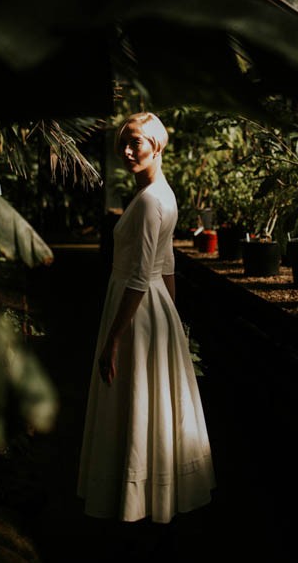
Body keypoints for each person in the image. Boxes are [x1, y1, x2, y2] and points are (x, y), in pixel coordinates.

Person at [77, 111, 215, 525]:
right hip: (151, 305)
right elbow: (167, 262)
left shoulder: (153, 200)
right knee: (145, 396)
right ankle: (139, 490)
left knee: (135, 393)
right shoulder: (158, 193)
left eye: (134, 142)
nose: (126, 150)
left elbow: (142, 274)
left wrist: (114, 339)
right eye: (124, 142)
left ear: (156, 146)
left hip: (136, 308)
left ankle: (136, 496)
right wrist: (173, 318)